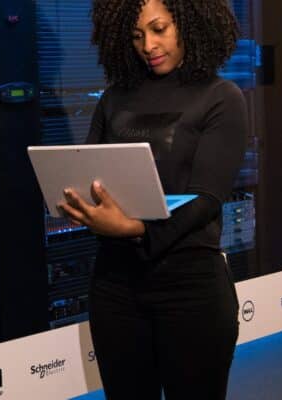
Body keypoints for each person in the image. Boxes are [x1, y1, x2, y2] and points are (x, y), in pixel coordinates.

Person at [57, 0, 248, 398]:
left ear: (190, 23)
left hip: (191, 290)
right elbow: (90, 175)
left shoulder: (222, 97)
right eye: (137, 35)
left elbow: (206, 199)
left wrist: (135, 229)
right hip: (115, 289)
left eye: (159, 29)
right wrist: (80, 206)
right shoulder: (113, 99)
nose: (148, 45)